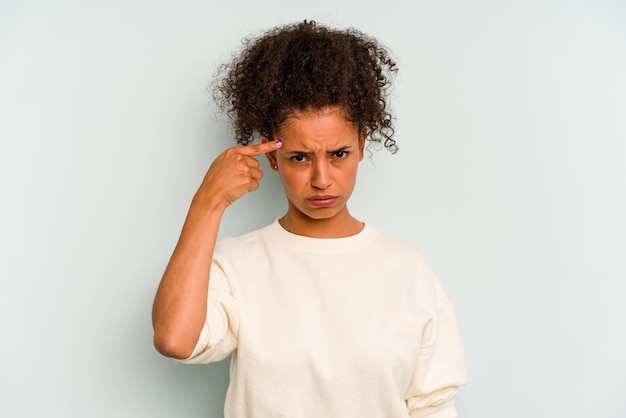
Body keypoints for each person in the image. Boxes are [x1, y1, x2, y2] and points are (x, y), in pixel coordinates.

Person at [152, 20, 466, 418]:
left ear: (362, 145)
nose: (321, 180)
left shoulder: (406, 268)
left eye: (338, 154)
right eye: (300, 157)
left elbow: (433, 406)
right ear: (272, 157)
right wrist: (207, 204)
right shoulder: (238, 266)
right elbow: (176, 339)